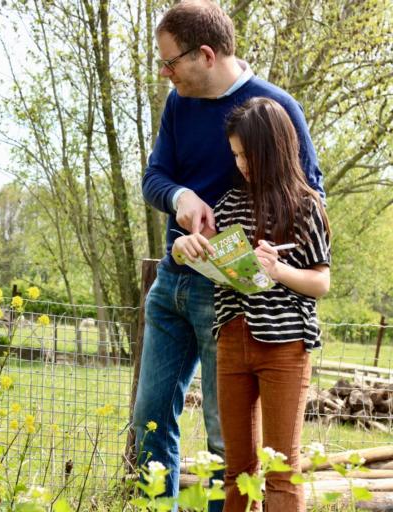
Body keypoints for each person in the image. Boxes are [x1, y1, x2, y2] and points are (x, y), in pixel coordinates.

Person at [132, 0, 325, 507]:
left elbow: (309, 196)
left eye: (171, 62)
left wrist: (264, 259)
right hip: (173, 280)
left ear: (207, 54)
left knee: (228, 444)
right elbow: (154, 179)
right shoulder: (179, 103)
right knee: (149, 421)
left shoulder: (274, 108)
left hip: (232, 298)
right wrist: (181, 198)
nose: (165, 72)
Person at [172, 97, 330, 511]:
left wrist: (278, 272)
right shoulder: (226, 205)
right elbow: (203, 255)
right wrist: (183, 248)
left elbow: (321, 282)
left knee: (281, 471)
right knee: (237, 471)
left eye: (247, 154)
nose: (240, 164)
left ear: (273, 148)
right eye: (236, 155)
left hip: (285, 347)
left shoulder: (307, 206)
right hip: (230, 342)